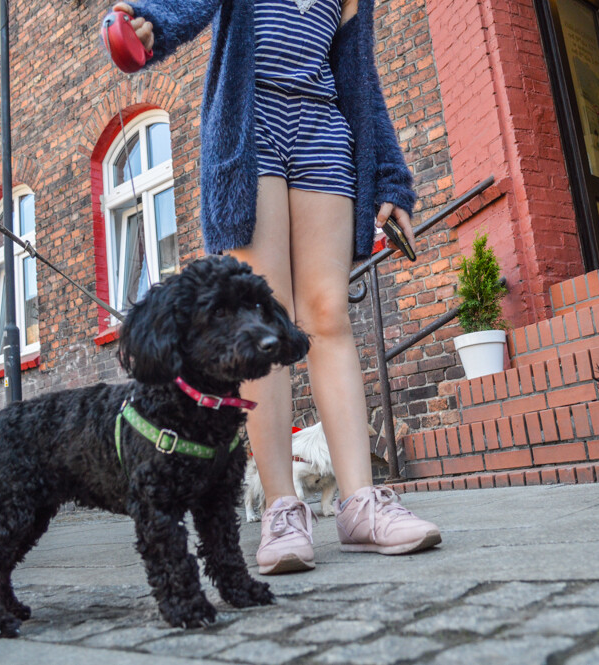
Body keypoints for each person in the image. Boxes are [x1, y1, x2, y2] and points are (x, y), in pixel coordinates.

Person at [112, 0, 441, 574]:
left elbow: (362, 83)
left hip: (324, 132)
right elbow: (187, 7)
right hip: (251, 127)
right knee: (265, 321)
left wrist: (391, 179)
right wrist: (150, 23)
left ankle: (361, 504)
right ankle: (282, 508)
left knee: (328, 312)